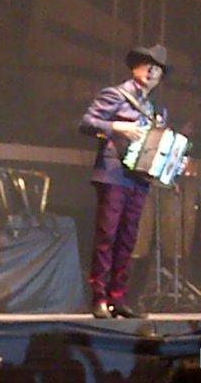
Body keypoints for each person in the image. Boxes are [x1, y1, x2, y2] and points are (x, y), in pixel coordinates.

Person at [79, 44, 170, 318]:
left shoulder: (155, 108)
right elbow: (87, 122)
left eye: (157, 68)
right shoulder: (115, 94)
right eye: (147, 65)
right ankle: (99, 297)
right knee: (107, 235)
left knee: (129, 239)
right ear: (135, 67)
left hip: (139, 177)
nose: (152, 71)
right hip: (114, 172)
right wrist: (117, 126)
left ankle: (117, 297)